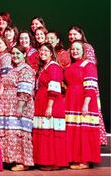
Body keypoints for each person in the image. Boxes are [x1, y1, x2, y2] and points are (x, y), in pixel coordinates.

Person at [64, 40, 101, 169]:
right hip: (71, 100)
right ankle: (74, 158)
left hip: (84, 100)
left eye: (77, 49)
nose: (74, 51)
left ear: (83, 50)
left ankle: (84, 160)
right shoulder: (70, 66)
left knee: (83, 130)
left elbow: (91, 87)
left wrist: (86, 104)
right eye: (72, 49)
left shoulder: (88, 65)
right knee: (74, 130)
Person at [68, 26, 107, 145]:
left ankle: (99, 138)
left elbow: (89, 65)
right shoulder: (71, 48)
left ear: (81, 35)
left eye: (75, 34)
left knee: (91, 111)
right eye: (70, 34)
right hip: (77, 84)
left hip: (87, 82)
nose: (72, 36)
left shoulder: (86, 47)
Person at [0, 45, 35, 171]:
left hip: (19, 105)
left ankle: (22, 162)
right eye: (13, 54)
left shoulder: (26, 69)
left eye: (18, 53)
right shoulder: (13, 69)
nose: (15, 56)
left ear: (24, 54)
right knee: (9, 132)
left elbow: (25, 89)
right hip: (8, 106)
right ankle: (10, 159)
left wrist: (20, 107)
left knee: (19, 132)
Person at [33, 43, 68, 170]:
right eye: (41, 50)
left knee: (51, 133)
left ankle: (54, 162)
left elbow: (54, 88)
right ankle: (44, 160)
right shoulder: (44, 67)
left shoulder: (54, 67)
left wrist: (49, 106)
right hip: (42, 100)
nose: (43, 52)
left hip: (51, 102)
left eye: (46, 50)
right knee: (44, 132)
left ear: (51, 52)